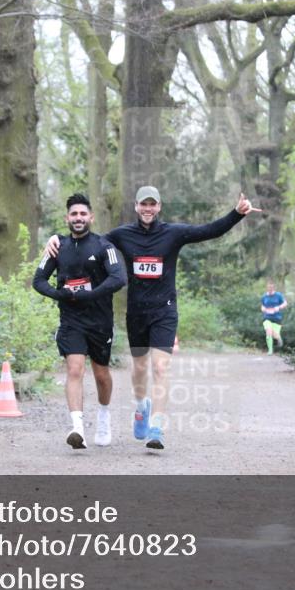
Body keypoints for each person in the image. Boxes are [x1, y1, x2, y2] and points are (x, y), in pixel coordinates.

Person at [45, 185, 260, 451]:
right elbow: (89, 241)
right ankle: (141, 405)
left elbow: (209, 230)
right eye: (143, 204)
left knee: (160, 368)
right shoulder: (122, 235)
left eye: (152, 205)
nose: (148, 209)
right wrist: (56, 238)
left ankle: (156, 427)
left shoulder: (174, 233)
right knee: (140, 369)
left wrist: (236, 214)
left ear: (159, 207)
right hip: (136, 313)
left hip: (164, 311)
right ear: (136, 207)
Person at [33, 193, 127, 450]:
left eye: (83, 214)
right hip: (71, 320)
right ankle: (77, 429)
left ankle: (104, 416)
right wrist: (59, 293)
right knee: (74, 369)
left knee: (101, 374)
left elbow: (119, 278)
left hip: (100, 320)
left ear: (91, 217)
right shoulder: (57, 246)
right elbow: (38, 280)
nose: (78, 218)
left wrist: (89, 294)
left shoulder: (104, 245)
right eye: (74, 214)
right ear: (67, 218)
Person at [261, 281, 287, 355]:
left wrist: (278, 307)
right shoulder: (264, 296)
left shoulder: (278, 295)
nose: (270, 288)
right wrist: (263, 309)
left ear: (274, 287)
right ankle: (270, 350)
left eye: (271, 287)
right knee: (268, 331)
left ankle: (279, 339)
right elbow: (262, 305)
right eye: (269, 287)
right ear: (267, 287)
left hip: (277, 318)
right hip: (267, 317)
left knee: (275, 335)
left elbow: (285, 303)